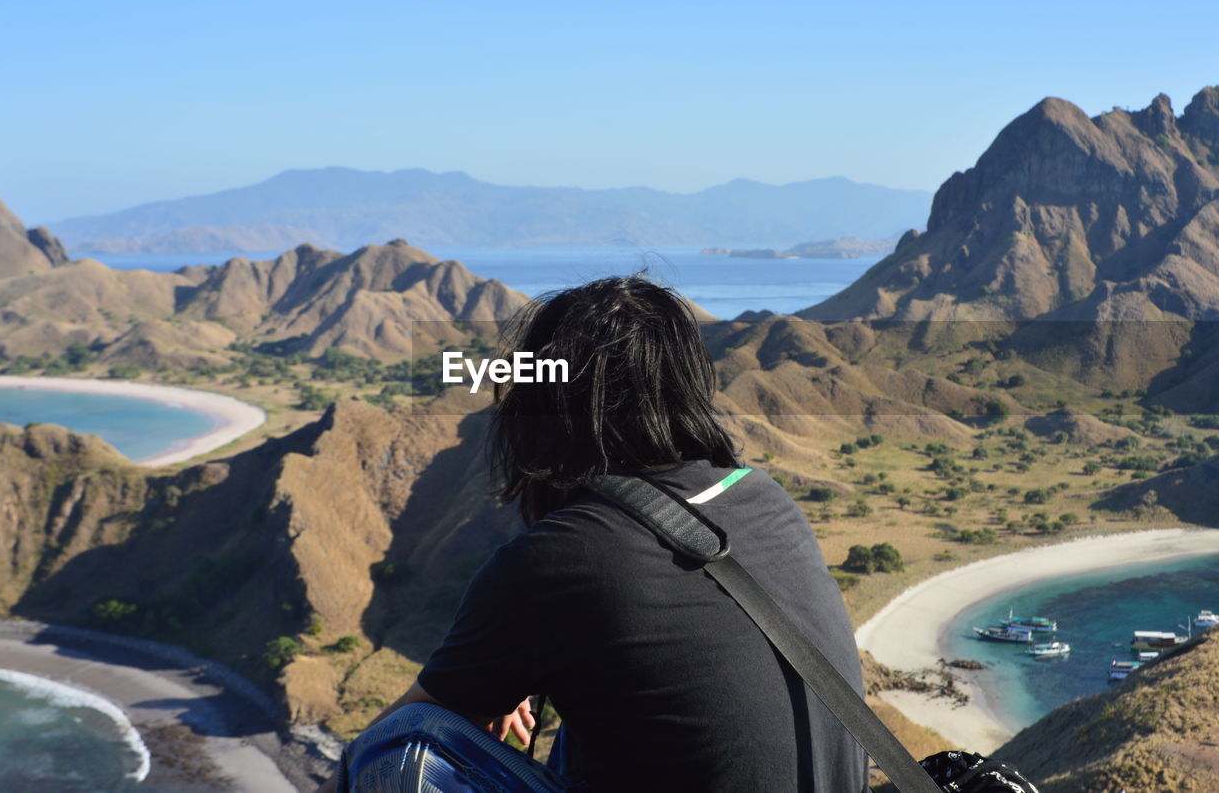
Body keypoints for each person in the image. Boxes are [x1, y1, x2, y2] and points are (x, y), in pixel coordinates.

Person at [323, 275, 868, 792]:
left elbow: (376, 747)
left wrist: (474, 690)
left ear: (545, 407)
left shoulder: (560, 559)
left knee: (402, 743)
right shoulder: (764, 495)